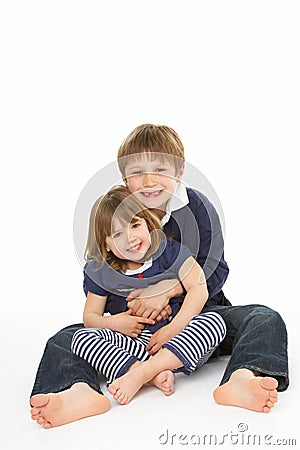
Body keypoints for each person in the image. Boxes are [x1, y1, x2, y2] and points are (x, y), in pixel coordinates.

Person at [30, 124, 288, 429]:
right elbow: (104, 280)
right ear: (125, 180)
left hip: (197, 315)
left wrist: (167, 291)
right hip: (135, 332)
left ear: (179, 171)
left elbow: (215, 269)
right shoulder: (118, 213)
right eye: (137, 172)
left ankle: (245, 376)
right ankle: (77, 390)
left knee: (263, 317)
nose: (149, 180)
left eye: (160, 168)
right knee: (65, 339)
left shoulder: (197, 208)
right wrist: (121, 318)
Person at [70, 185, 226, 405]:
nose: (130, 238)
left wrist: (174, 328)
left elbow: (199, 287)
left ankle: (142, 373)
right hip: (133, 343)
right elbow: (91, 317)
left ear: (147, 223)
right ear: (104, 245)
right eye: (117, 234)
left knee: (213, 323)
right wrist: (115, 323)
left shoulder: (168, 250)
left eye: (135, 225)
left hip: (178, 343)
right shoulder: (100, 270)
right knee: (81, 338)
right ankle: (146, 371)